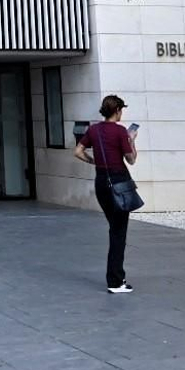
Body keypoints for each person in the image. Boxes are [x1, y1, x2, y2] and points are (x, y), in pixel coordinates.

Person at [74, 94, 138, 294]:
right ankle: (116, 281)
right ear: (117, 111)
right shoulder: (120, 132)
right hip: (118, 182)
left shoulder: (94, 130)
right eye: (121, 110)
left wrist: (93, 161)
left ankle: (117, 277)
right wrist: (132, 140)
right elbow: (131, 159)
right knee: (118, 232)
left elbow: (78, 151)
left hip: (101, 181)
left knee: (115, 229)